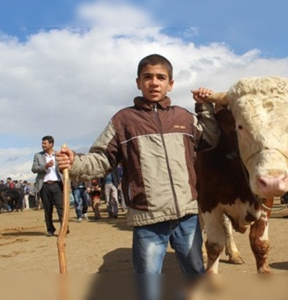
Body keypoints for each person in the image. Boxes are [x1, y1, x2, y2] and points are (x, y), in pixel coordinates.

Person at [56, 54, 220, 298]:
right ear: (138, 82)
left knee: (195, 273)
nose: (154, 82)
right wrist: (75, 162)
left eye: (161, 77)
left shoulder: (184, 118)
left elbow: (210, 139)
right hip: (148, 217)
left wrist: (204, 106)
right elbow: (102, 159)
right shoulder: (124, 120)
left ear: (171, 84)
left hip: (186, 214)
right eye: (148, 77)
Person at [31, 135, 66, 237]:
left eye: (45, 143)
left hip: (57, 184)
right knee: (47, 208)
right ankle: (50, 229)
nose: (43, 145)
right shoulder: (38, 155)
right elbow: (34, 169)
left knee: (61, 208)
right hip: (44, 185)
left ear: (51, 144)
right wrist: (45, 166)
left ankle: (64, 228)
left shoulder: (59, 155)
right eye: (42, 143)